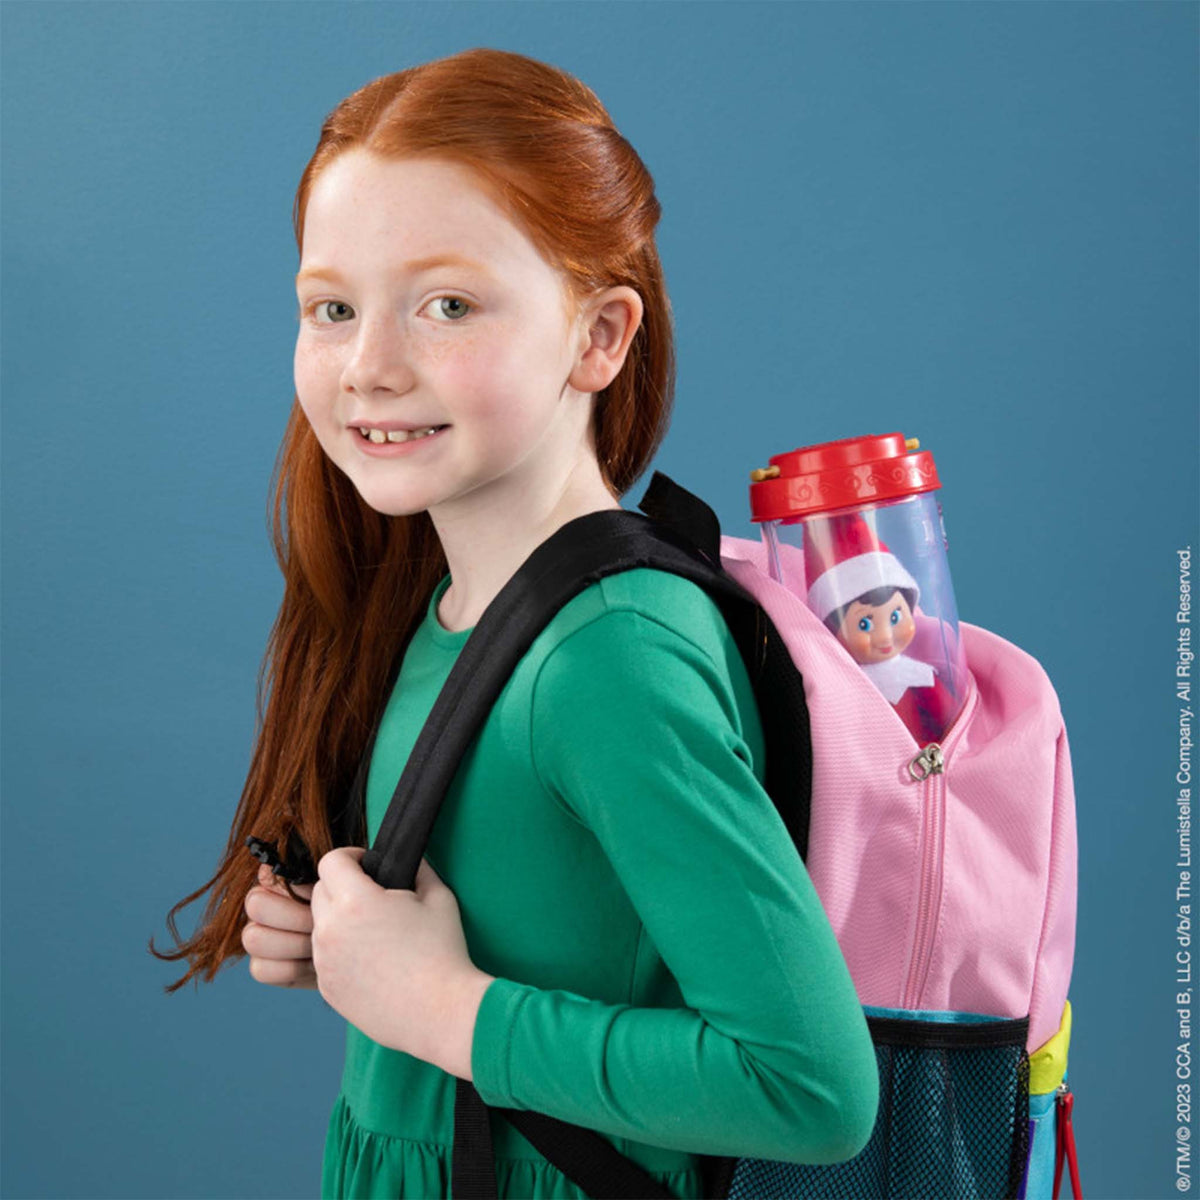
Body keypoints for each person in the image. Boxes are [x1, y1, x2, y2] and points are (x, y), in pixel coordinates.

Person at [149, 46, 879, 1199]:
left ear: (599, 337)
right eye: (331, 307)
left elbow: (811, 1086)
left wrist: (442, 1008)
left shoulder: (610, 660)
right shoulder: (438, 610)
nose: (370, 367)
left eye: (446, 305)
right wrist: (345, 952)